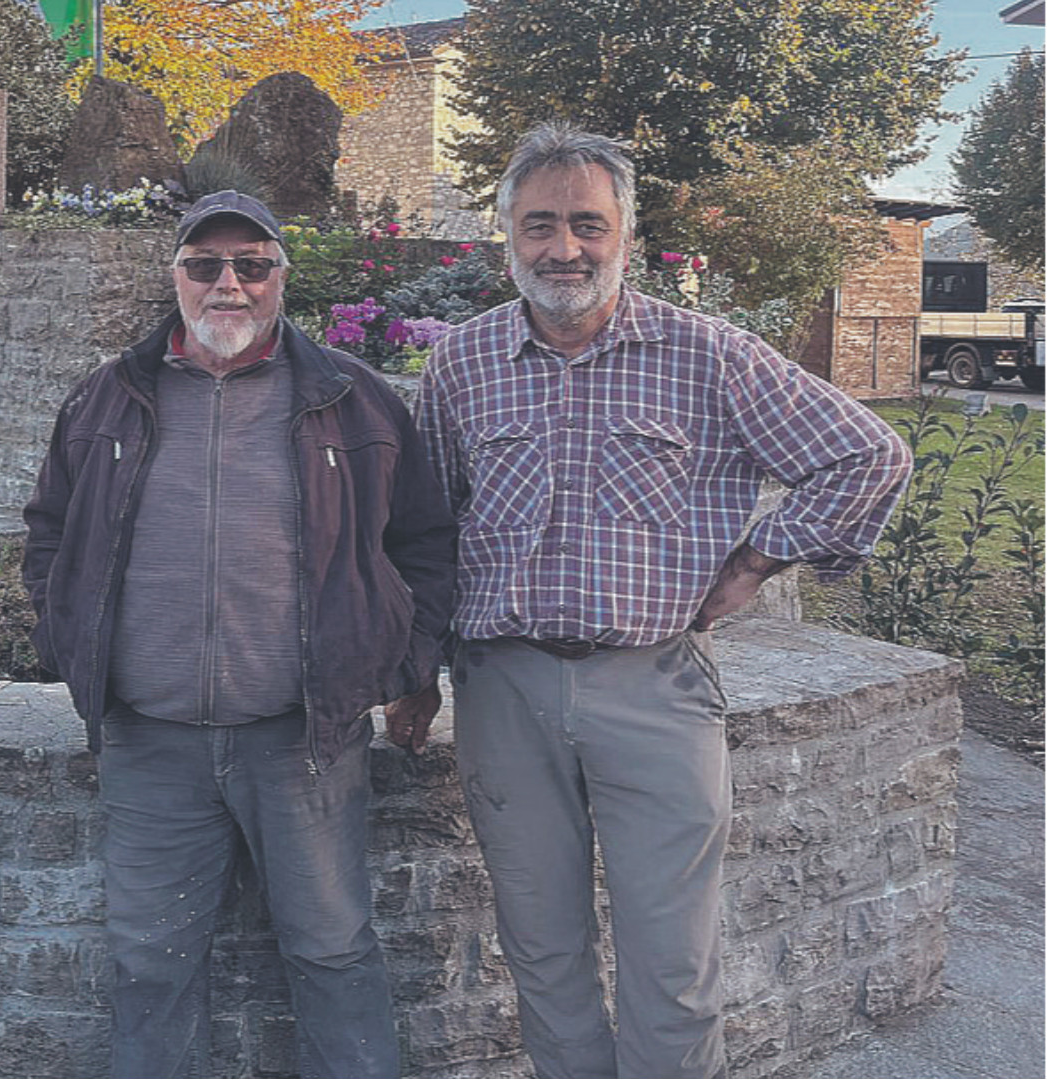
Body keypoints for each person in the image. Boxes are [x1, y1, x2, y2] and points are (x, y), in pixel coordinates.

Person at [413, 124, 912, 1078]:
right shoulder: (462, 365)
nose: (565, 249)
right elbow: (433, 529)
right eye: (540, 226)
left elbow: (869, 455)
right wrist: (412, 676)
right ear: (507, 236)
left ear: (626, 238)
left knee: (673, 964)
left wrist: (764, 556)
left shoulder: (710, 356)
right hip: (502, 689)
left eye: (588, 226)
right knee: (542, 953)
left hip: (655, 689)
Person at [22, 190, 458, 1077]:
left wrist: (405, 663)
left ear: (280, 279)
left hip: (301, 738)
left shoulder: (354, 399)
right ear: (175, 276)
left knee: (333, 953)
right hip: (150, 740)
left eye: (252, 266)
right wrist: (73, 645)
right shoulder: (108, 396)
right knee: (150, 965)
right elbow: (49, 534)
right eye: (205, 266)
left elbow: (425, 545)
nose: (230, 284)